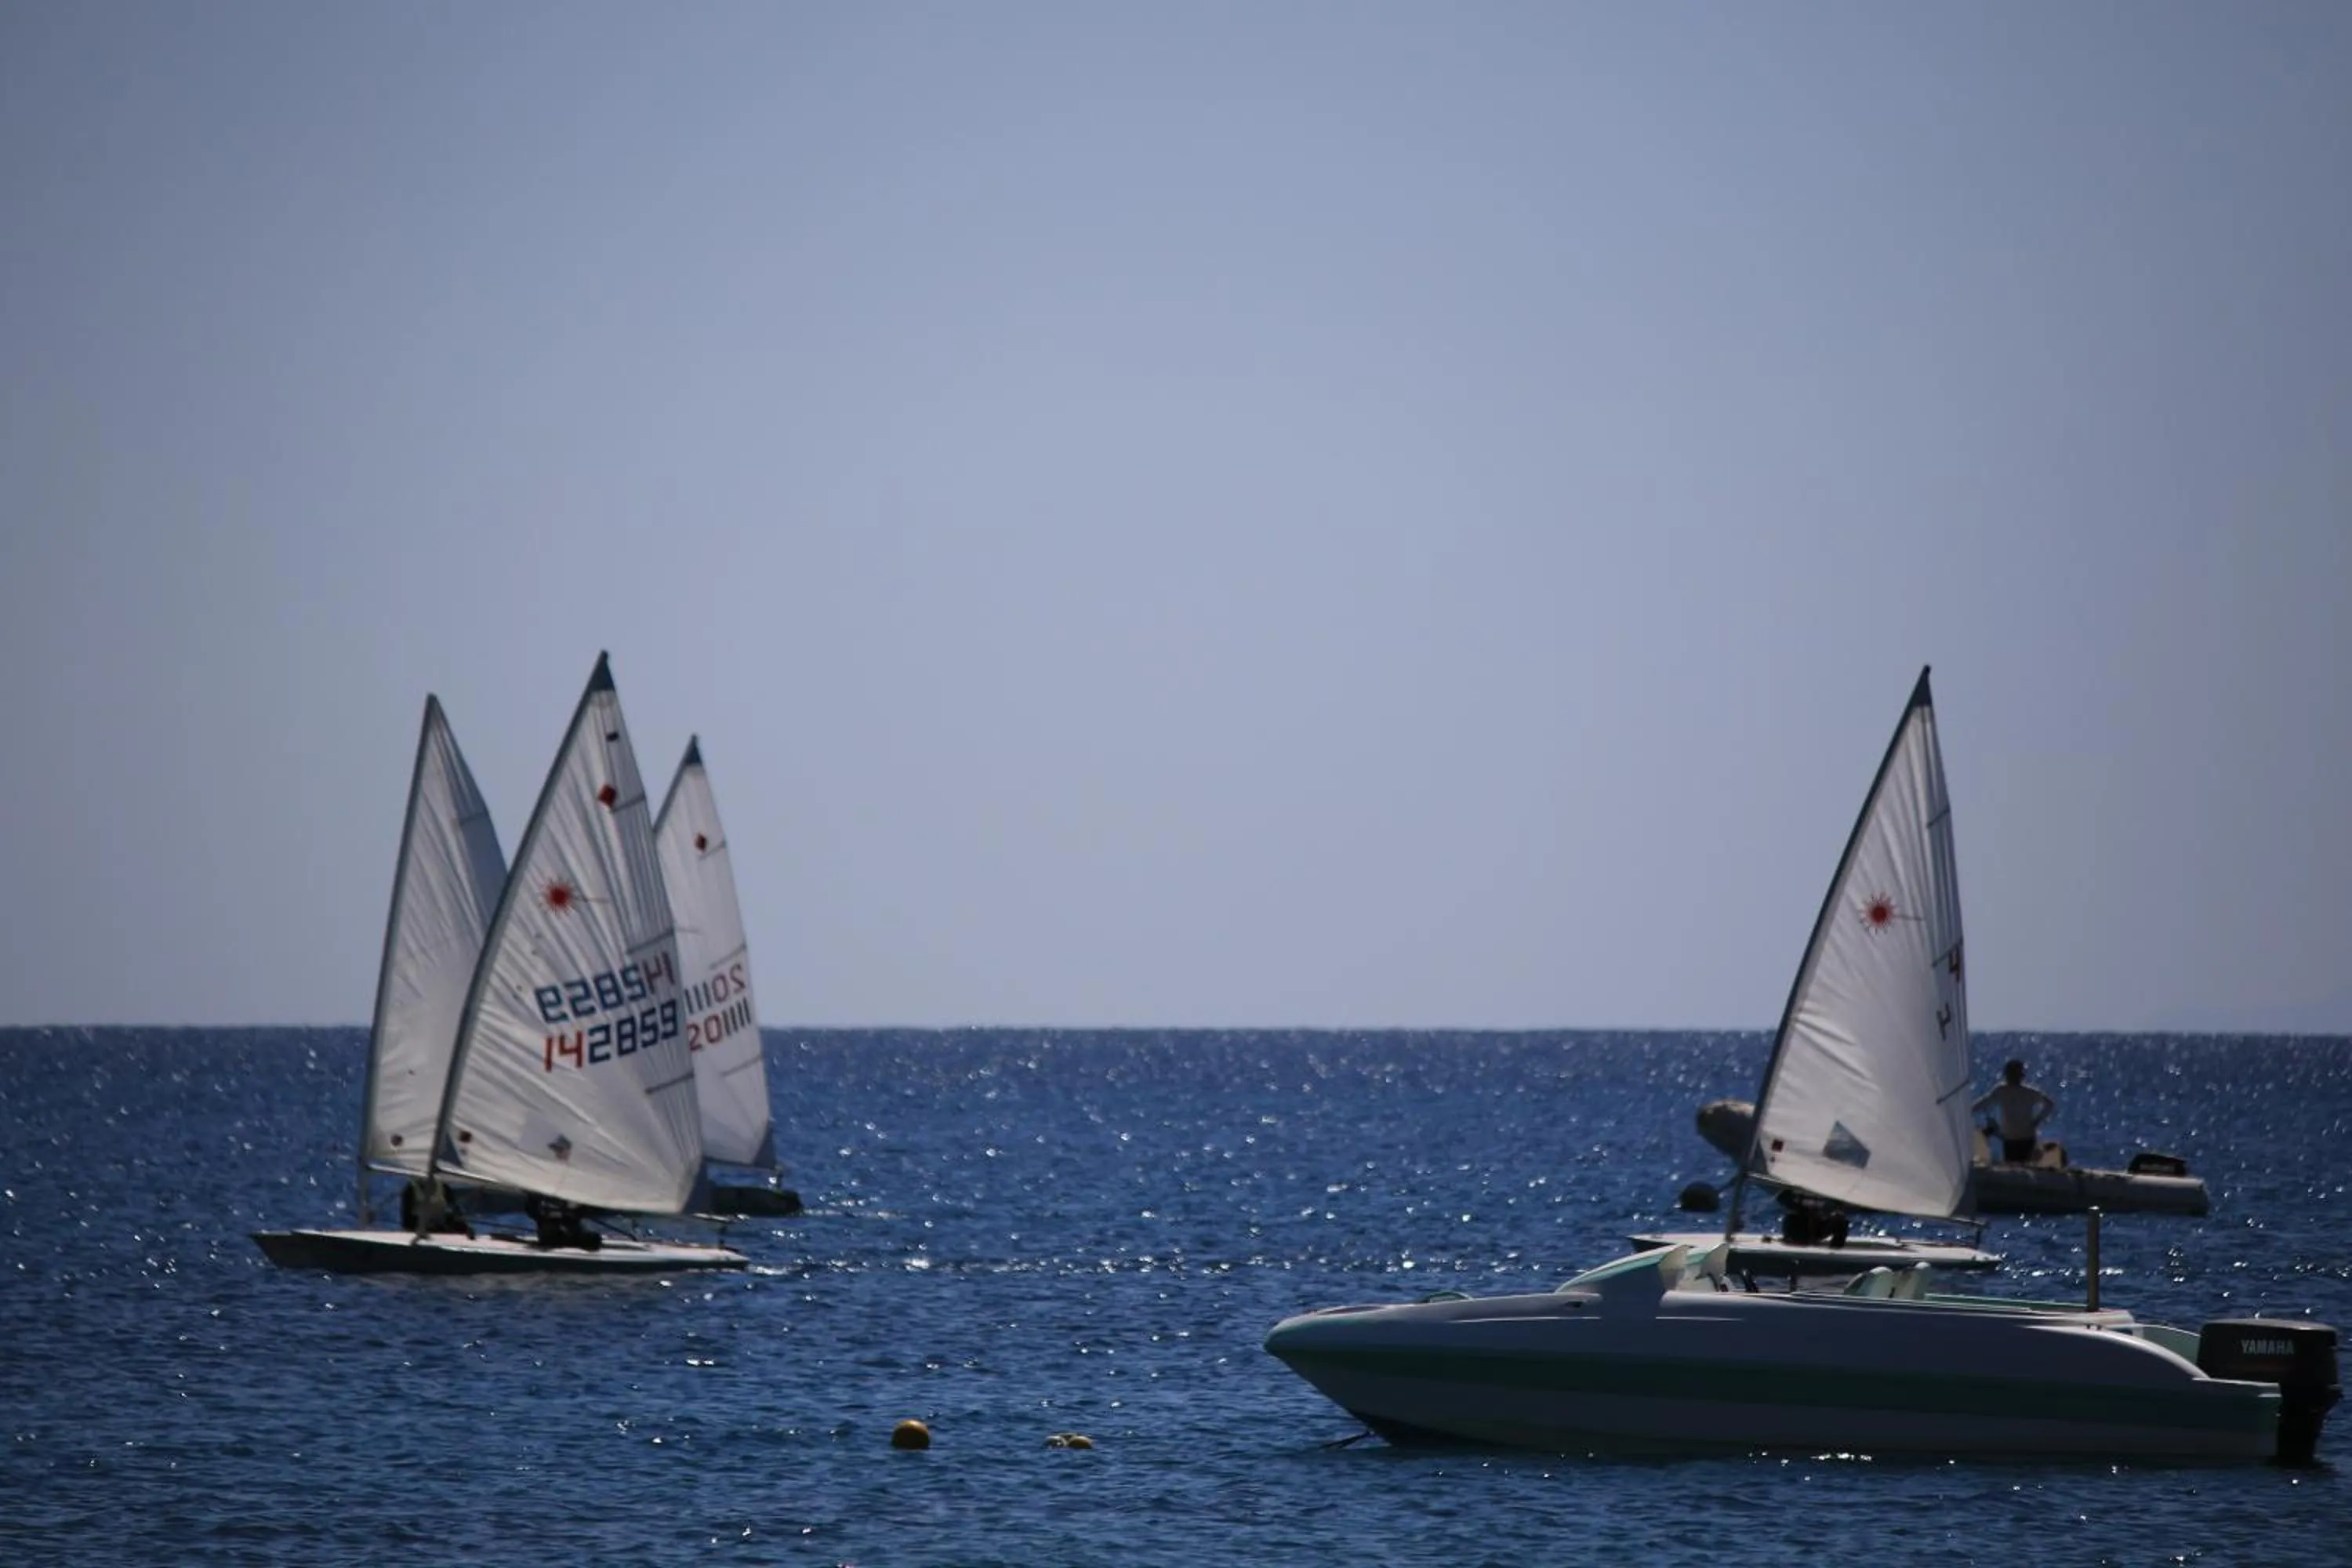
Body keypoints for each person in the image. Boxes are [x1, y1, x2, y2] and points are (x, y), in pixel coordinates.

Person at [1973, 1058, 2057, 1164]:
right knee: (2025, 1167)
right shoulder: (2028, 1093)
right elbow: (2049, 1104)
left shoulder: (2002, 1091)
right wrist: (2037, 1121)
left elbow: (1983, 1103)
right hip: (2023, 1137)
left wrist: (1968, 1110)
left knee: (2014, 1166)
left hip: (2015, 1138)